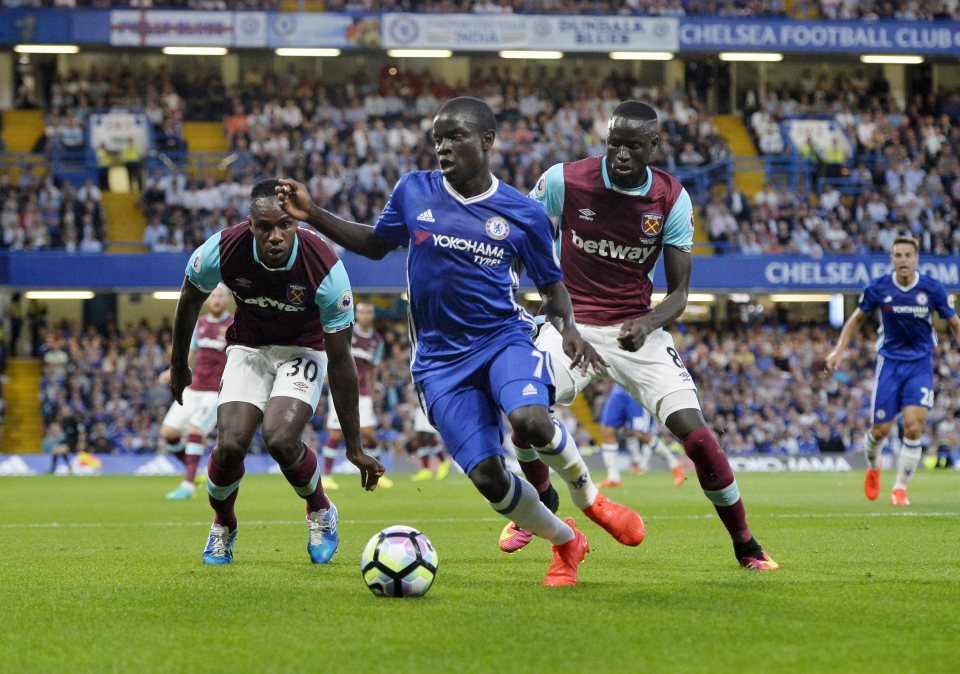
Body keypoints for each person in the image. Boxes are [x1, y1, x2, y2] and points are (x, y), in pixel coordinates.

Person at [276, 96, 645, 587]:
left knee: (531, 420)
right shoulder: (413, 191)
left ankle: (589, 498)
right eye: (437, 139)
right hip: (439, 363)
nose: (443, 148)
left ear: (487, 141)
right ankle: (565, 540)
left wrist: (570, 331)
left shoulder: (522, 213)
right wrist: (313, 213)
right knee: (491, 479)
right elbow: (375, 243)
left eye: (455, 137)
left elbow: (553, 288)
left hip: (503, 339)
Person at [503, 100, 778, 570]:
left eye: (633, 146)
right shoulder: (562, 180)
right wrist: (527, 297)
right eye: (615, 144)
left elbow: (680, 293)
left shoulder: (672, 198)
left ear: (654, 146)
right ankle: (541, 504)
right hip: (571, 324)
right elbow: (518, 237)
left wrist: (647, 324)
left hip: (637, 328)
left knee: (697, 437)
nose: (622, 154)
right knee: (524, 413)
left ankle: (746, 544)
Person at [170, 179, 384, 566]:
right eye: (264, 227)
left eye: (285, 225)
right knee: (230, 444)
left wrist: (354, 446)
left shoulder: (325, 269)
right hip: (249, 348)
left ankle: (320, 510)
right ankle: (223, 525)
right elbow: (189, 299)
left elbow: (341, 361)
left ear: (297, 224)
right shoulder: (222, 249)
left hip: (304, 349)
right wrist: (177, 364)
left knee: (281, 439)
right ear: (249, 224)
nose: (275, 236)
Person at [826, 236, 960, 506]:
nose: (903, 260)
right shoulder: (879, 287)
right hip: (889, 364)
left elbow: (954, 322)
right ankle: (874, 468)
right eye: (898, 255)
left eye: (908, 255)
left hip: (920, 364)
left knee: (913, 427)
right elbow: (856, 319)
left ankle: (900, 489)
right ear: (892, 258)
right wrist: (839, 350)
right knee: (879, 431)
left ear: (916, 258)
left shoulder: (932, 289)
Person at [158, 284, 233, 500]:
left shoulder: (233, 324)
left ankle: (188, 485)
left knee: (194, 428)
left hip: (215, 392)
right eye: (213, 296)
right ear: (207, 300)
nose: (216, 299)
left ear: (227, 299)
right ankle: (195, 471)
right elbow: (190, 353)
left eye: (220, 296)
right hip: (194, 388)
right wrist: (173, 370)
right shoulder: (199, 324)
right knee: (168, 433)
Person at [321, 301, 394, 490]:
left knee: (369, 433)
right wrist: (328, 377)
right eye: (362, 312)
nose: (366, 316)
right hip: (342, 388)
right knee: (336, 433)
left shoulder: (377, 340)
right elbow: (333, 354)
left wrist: (372, 388)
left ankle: (377, 469)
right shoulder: (346, 331)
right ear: (356, 314)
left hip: (363, 392)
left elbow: (373, 367)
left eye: (369, 312)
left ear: (373, 316)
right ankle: (327, 476)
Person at [598, 383, 685, 488]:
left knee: (640, 434)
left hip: (636, 388)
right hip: (619, 389)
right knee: (607, 429)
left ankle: (674, 463)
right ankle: (613, 478)